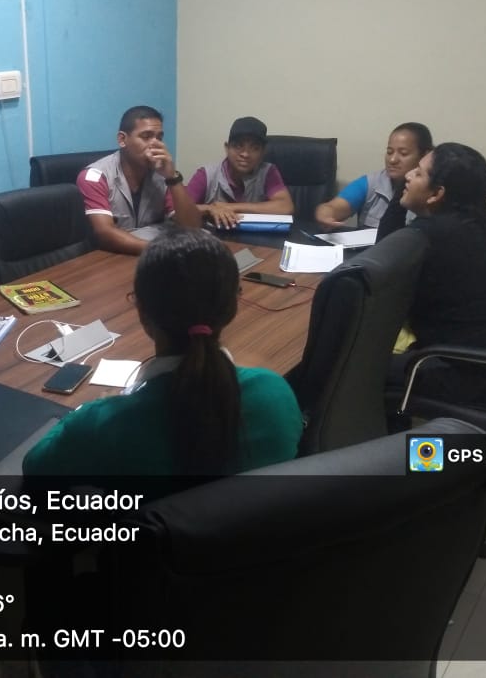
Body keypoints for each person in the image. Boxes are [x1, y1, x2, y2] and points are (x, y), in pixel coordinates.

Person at [22, 227, 304, 485]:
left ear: (142, 312)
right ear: (234, 303)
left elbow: (35, 466)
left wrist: (91, 411)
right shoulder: (276, 394)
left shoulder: (105, 424)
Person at [379, 142, 486, 407]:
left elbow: (381, 269)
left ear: (437, 193)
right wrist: (404, 197)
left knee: (347, 366)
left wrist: (400, 199)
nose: (408, 175)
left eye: (419, 173)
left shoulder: (432, 235)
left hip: (467, 374)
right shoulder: (478, 224)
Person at [77, 105, 202, 255]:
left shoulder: (162, 174)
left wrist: (172, 177)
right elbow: (105, 233)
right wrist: (161, 251)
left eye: (159, 137)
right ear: (122, 139)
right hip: (113, 257)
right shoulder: (95, 177)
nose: (156, 145)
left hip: (152, 254)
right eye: (146, 136)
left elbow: (192, 228)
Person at [315, 122, 434, 229]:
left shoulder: (433, 194)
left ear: (425, 155)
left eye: (403, 153)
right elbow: (332, 207)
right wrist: (325, 215)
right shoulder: (371, 182)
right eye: (389, 152)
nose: (392, 160)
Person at [185, 116, 294, 229]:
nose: (245, 154)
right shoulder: (207, 175)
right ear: (227, 148)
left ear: (263, 152)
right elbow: (180, 210)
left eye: (254, 148)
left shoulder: (267, 172)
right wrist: (210, 208)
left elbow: (285, 206)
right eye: (238, 146)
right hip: (213, 236)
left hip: (254, 238)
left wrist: (230, 207)